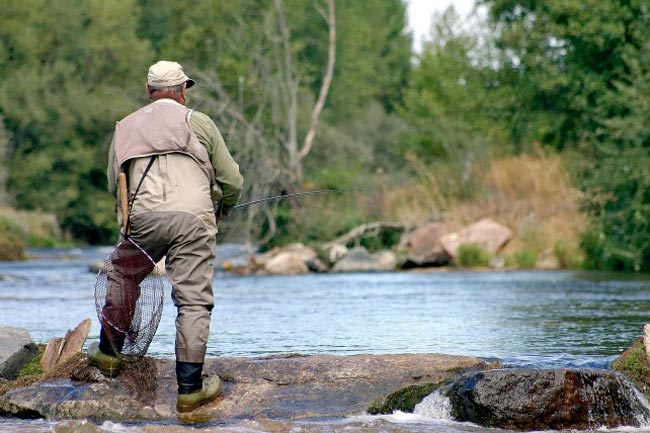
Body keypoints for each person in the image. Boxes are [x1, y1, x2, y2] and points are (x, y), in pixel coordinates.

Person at [88, 60, 244, 413]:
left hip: (142, 218)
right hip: (194, 219)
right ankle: (189, 390)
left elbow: (116, 182)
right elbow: (232, 178)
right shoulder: (198, 122)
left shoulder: (125, 127)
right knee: (192, 300)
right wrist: (224, 207)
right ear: (183, 91)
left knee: (124, 277)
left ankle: (109, 354)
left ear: (148, 91)